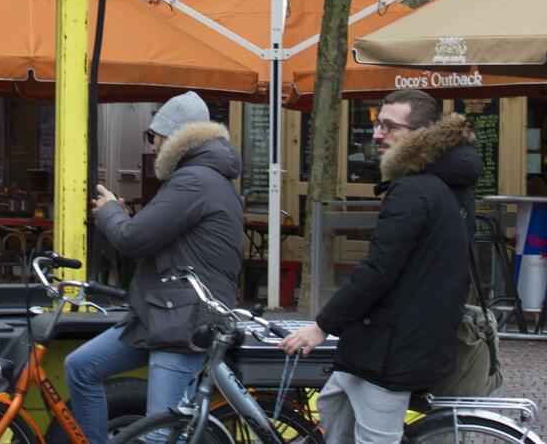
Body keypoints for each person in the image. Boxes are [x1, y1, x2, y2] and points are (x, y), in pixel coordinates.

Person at [280, 89, 483, 444]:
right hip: (402, 338)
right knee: (332, 407)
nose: (377, 134)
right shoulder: (450, 184)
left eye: (390, 127)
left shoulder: (414, 189)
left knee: (377, 437)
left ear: (420, 134)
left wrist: (322, 326)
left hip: (394, 347)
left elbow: (379, 269)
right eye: (378, 124)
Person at [64, 90, 244, 444]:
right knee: (80, 367)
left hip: (182, 324)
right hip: (163, 316)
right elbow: (154, 236)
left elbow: (132, 241)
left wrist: (110, 212)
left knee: (158, 435)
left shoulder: (193, 180)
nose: (152, 144)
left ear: (175, 136)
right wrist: (125, 217)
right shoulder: (205, 179)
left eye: (154, 135)